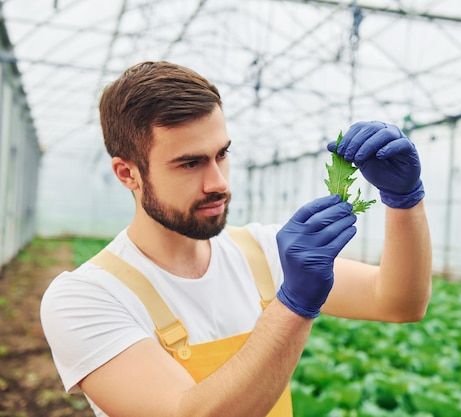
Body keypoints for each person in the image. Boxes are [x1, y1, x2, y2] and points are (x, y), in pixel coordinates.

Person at [40, 61, 432, 417]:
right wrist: (294, 304)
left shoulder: (263, 251)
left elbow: (399, 302)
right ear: (128, 174)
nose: (218, 182)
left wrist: (404, 202)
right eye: (190, 163)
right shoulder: (86, 297)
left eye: (221, 155)